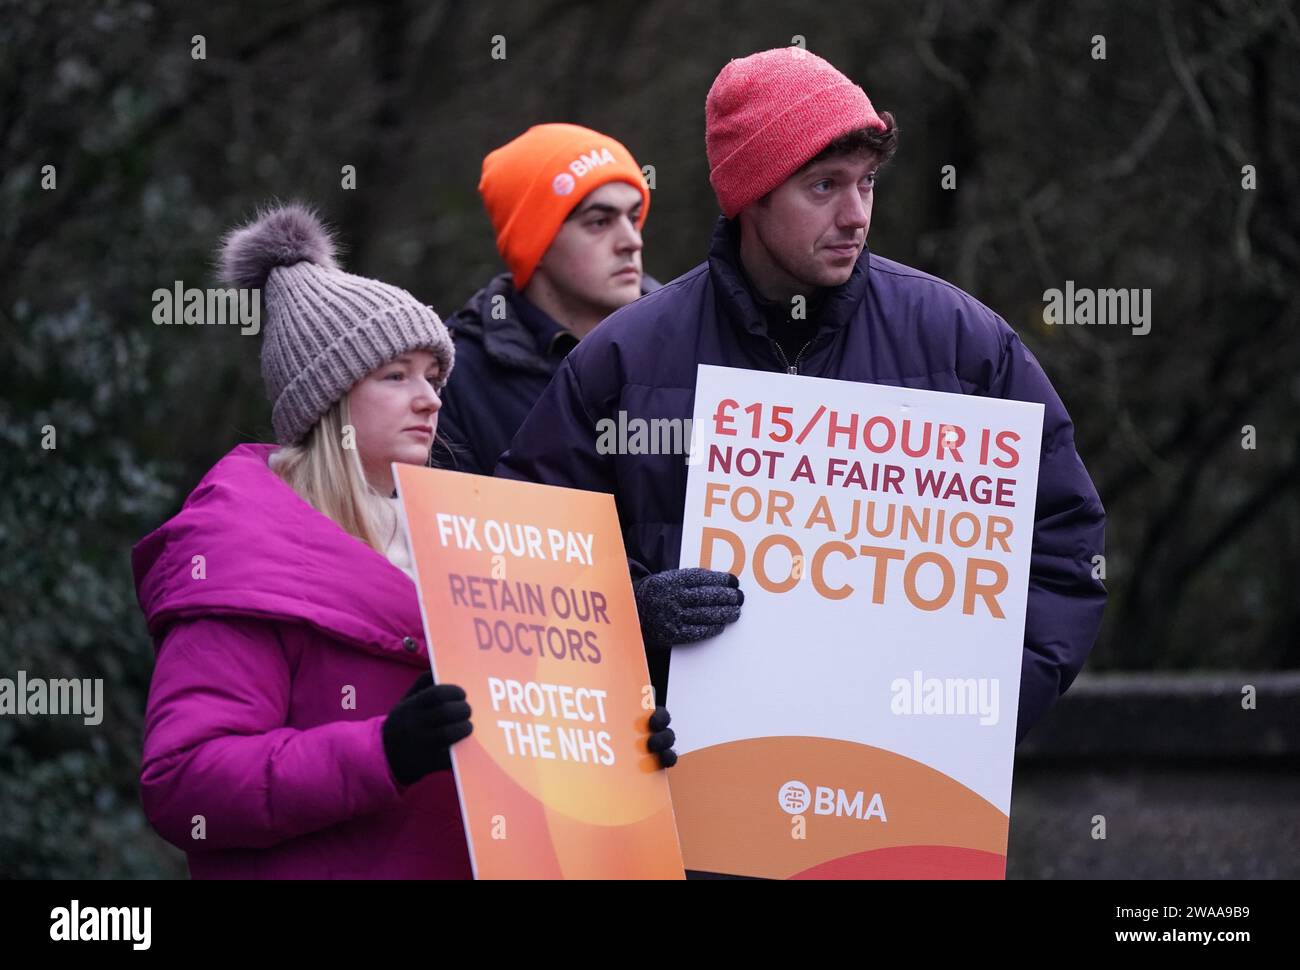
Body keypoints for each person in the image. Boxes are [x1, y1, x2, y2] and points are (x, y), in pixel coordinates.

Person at [497, 48, 1107, 745]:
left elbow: (1063, 541)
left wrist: (988, 709)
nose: (856, 215)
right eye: (824, 187)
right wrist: (630, 617)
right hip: (677, 799)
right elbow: (521, 559)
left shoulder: (965, 346)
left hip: (906, 798)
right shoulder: (621, 359)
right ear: (750, 196)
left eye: (867, 183)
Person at [133, 203, 676, 879]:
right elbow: (184, 784)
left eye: (434, 377)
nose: (430, 400)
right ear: (325, 399)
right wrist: (383, 752)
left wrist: (618, 750)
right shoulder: (242, 556)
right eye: (396, 376)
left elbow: (526, 748)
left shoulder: (470, 545)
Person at [437, 123, 659, 475]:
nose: (632, 241)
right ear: (533, 245)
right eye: (600, 222)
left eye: (634, 218)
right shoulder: (452, 378)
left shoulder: (694, 342)